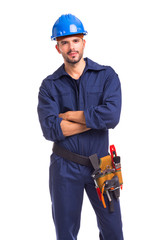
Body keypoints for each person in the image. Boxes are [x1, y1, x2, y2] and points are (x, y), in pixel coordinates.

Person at [37, 14, 123, 240]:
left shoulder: (106, 76)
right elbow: (51, 129)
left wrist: (72, 117)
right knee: (65, 234)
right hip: (64, 166)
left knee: (113, 231)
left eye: (75, 40)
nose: (71, 47)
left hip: (102, 165)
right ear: (58, 48)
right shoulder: (49, 86)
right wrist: (94, 120)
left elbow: (112, 117)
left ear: (83, 42)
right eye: (64, 42)